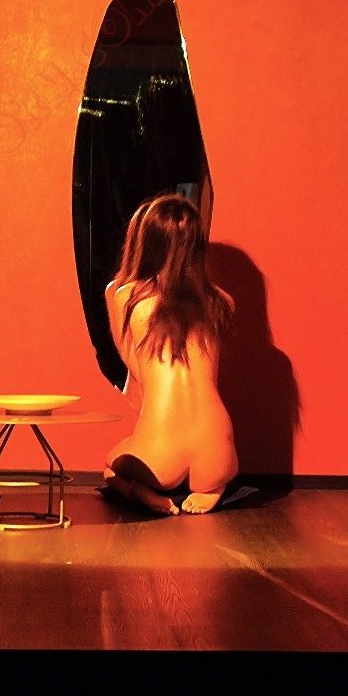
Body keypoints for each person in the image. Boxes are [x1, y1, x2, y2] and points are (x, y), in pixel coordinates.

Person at [103, 193, 238, 515]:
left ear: (145, 242)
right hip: (218, 447)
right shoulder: (222, 302)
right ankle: (212, 487)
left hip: (160, 454)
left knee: (109, 468)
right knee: (212, 464)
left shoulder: (125, 295)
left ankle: (143, 493)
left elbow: (134, 367)